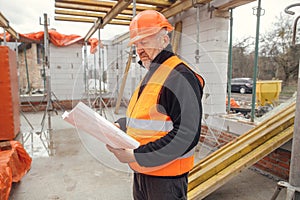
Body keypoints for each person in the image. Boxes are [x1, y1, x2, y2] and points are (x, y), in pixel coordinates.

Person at [106, 10, 204, 200]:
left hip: (166, 180)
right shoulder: (155, 73)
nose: (139, 49)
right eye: (136, 44)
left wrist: (136, 155)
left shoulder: (179, 76)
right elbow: (150, 118)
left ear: (164, 39)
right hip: (144, 174)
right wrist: (122, 124)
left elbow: (187, 135)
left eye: (145, 41)